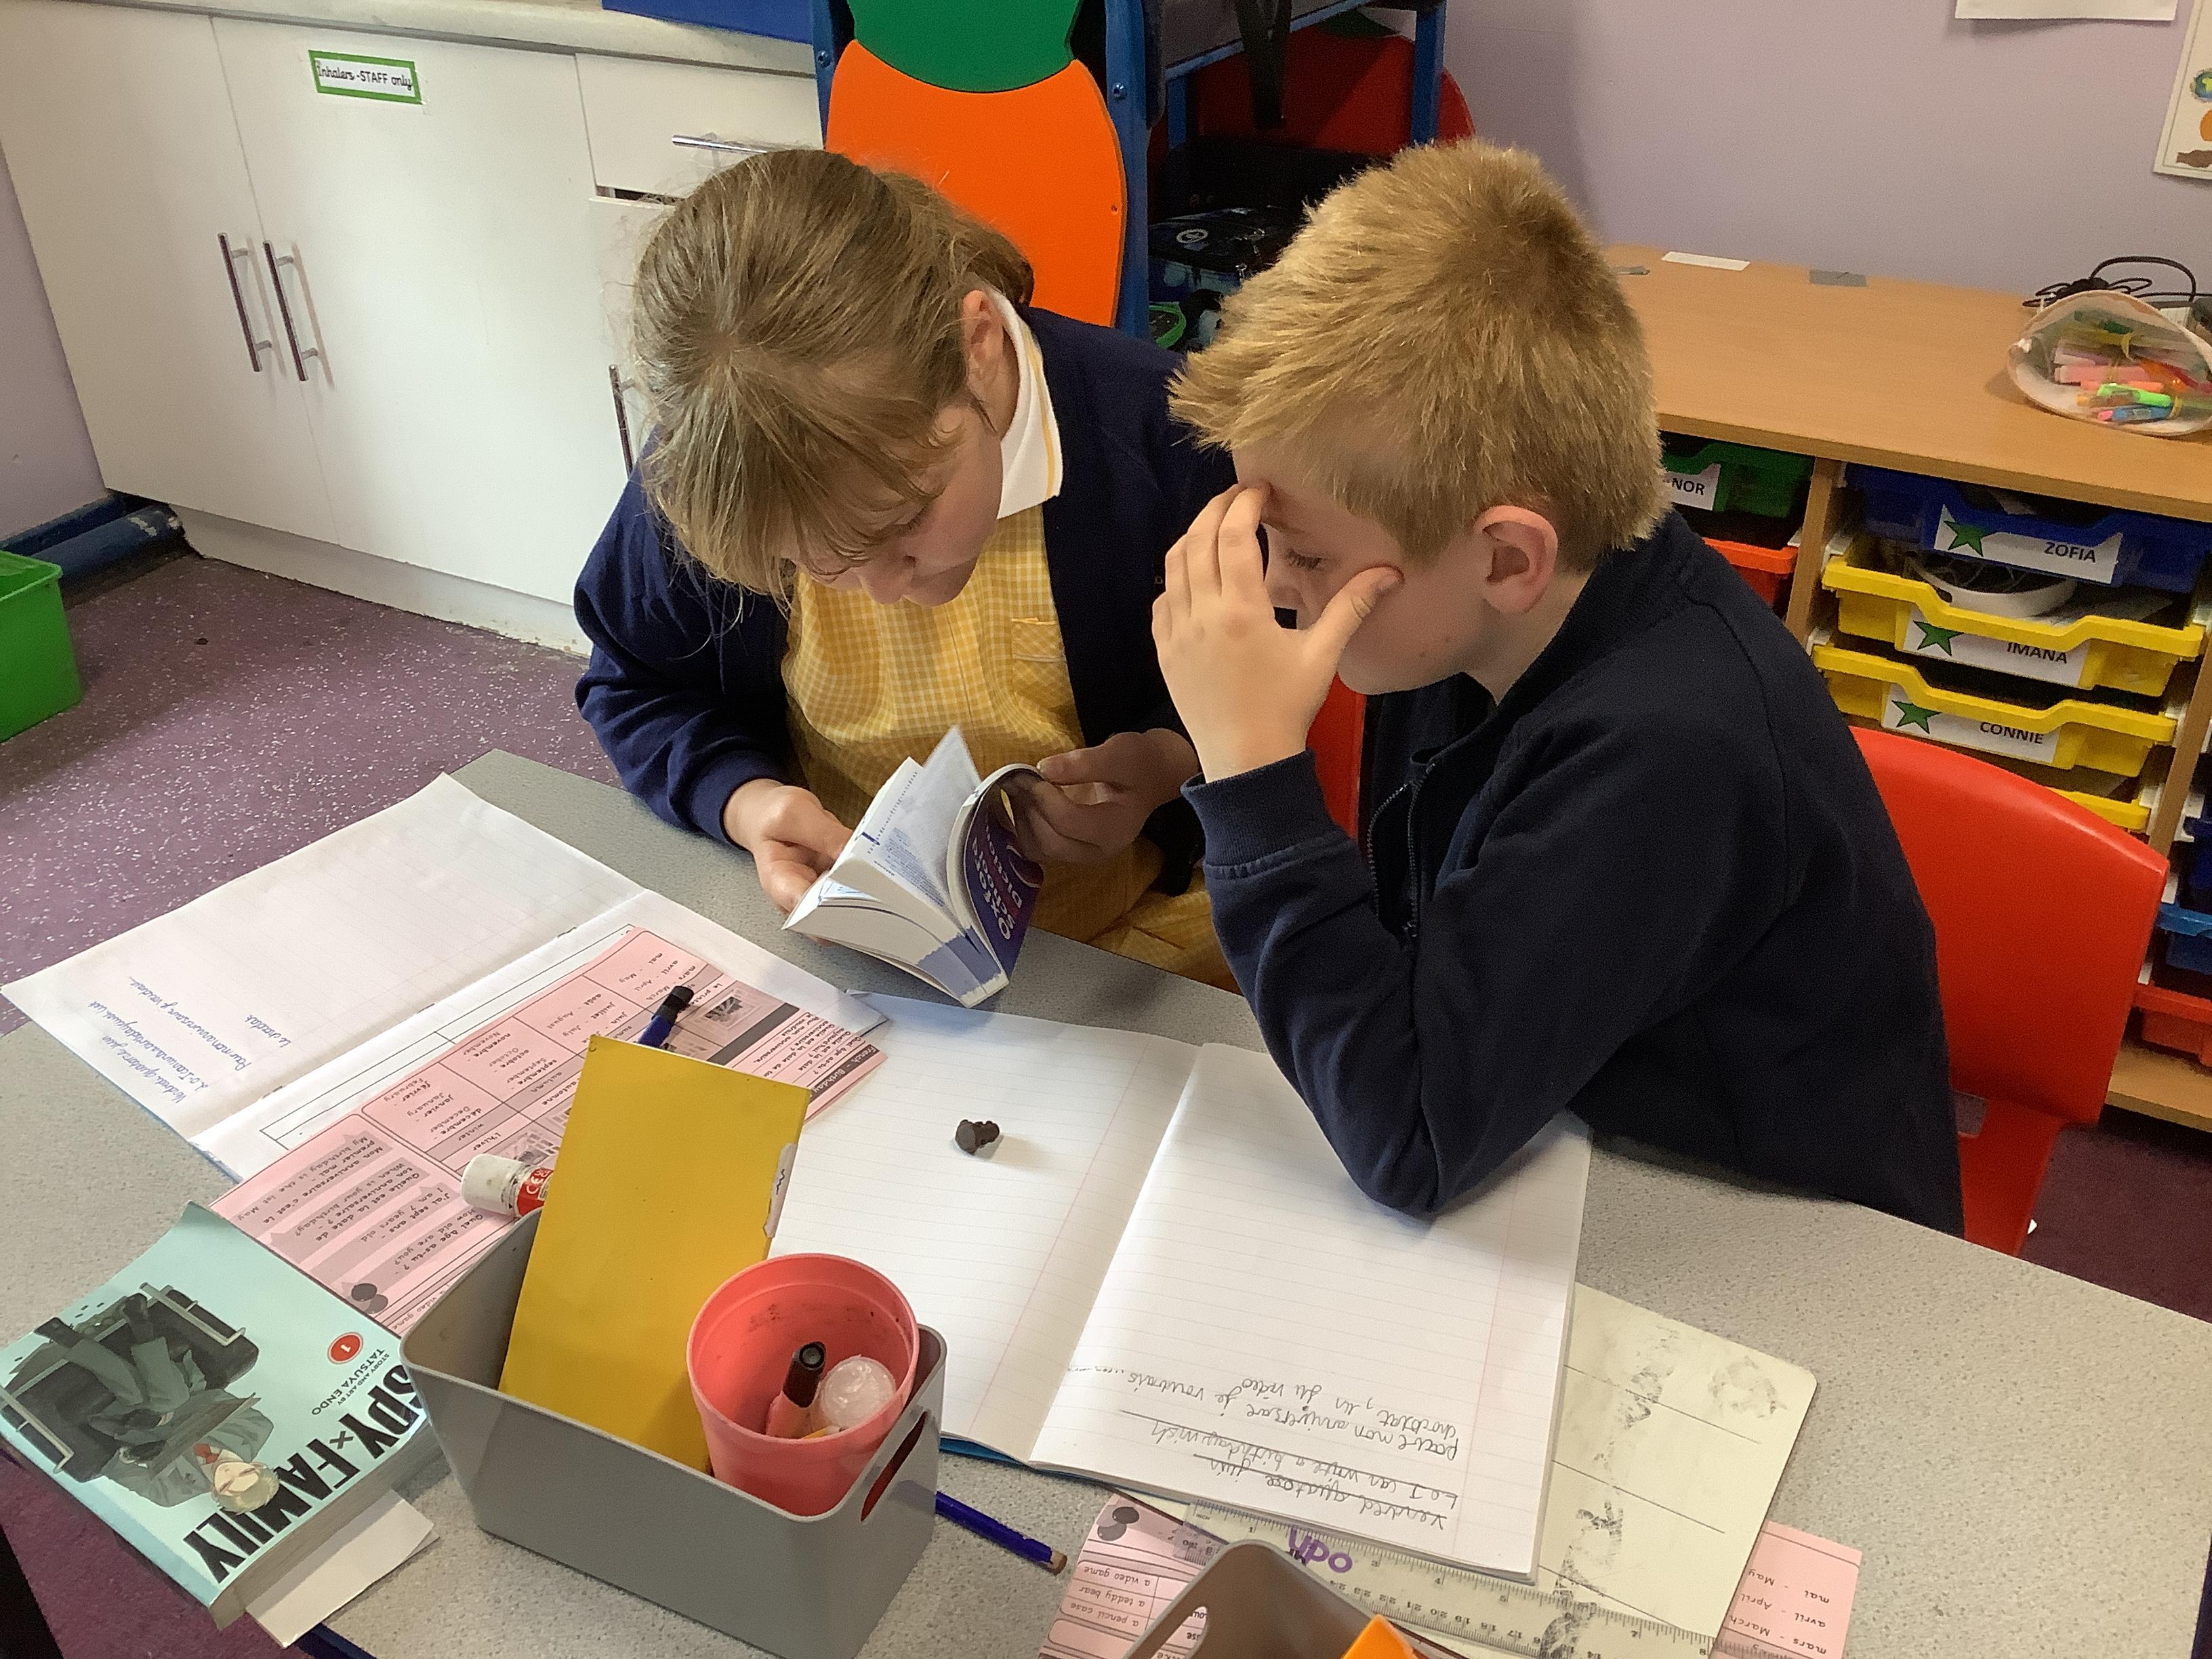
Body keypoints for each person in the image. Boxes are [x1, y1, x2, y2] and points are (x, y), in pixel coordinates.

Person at [1149, 141, 1963, 1231]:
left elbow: (1409, 1142)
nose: (1274, 589)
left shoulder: (1669, 753)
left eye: (1303, 554)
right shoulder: (1475, 619)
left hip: (1769, 1235)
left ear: (1505, 556)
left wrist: (1253, 781)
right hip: (1574, 1130)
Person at [575, 150, 1234, 983]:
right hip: (853, 952)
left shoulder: (1167, 434)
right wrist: (746, 802)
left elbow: (1266, 670)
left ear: (976, 345)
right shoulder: (725, 477)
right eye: (812, 562)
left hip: (1125, 941)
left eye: (905, 523)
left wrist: (1167, 763)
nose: (887, 591)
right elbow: (638, 685)